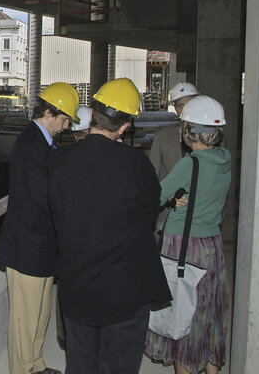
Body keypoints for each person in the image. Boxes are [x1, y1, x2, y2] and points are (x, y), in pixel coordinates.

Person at [48, 78, 171, 374]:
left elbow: (57, 213)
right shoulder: (136, 165)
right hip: (124, 291)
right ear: (125, 126)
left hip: (77, 289)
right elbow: (149, 214)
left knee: (80, 364)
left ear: (94, 114)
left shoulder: (60, 160)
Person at [0, 81, 80, 374]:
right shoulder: (33, 145)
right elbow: (42, 197)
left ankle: (36, 363)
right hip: (28, 245)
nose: (66, 126)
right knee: (24, 318)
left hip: (40, 244)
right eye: (64, 119)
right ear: (48, 113)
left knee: (40, 311)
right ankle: (22, 368)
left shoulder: (41, 142)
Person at [145, 95, 231, 374]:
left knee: (184, 313)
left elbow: (153, 197)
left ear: (188, 132)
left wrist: (170, 201)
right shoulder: (224, 161)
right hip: (212, 246)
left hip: (182, 246)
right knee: (209, 312)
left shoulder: (189, 164)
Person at [55, 104, 92, 351]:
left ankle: (67, 337)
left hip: (71, 242)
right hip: (90, 241)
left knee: (69, 292)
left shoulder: (63, 159)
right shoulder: (110, 159)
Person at [149, 82, 200, 180]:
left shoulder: (210, 137)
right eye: (181, 106)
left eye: (189, 104)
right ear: (175, 109)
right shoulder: (162, 137)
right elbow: (153, 174)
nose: (186, 110)